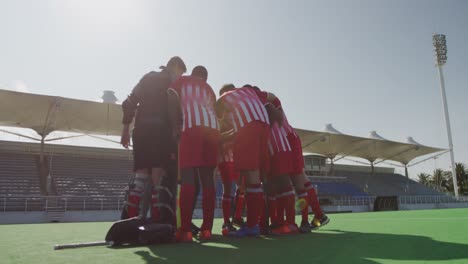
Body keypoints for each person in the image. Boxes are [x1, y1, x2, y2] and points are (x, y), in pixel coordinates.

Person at [121, 56, 186, 224]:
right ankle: (157, 222)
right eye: (181, 73)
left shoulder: (147, 77)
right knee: (158, 177)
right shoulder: (174, 82)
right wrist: (178, 127)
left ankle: (128, 221)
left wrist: (125, 128)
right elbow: (177, 109)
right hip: (161, 132)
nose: (181, 77)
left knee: (140, 176)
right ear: (177, 68)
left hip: (141, 130)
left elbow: (129, 102)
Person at [168, 65, 219, 242]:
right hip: (213, 131)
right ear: (205, 77)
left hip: (192, 128)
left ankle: (185, 230)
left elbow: (170, 96)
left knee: (188, 177)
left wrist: (175, 123)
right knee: (207, 180)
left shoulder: (182, 80)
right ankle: (207, 230)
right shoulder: (209, 89)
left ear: (193, 73)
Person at [216, 85, 273, 237]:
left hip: (249, 128)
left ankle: (252, 226)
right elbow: (272, 96)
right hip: (264, 124)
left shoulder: (223, 99)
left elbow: (218, 120)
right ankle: (260, 223)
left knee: (250, 178)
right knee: (258, 178)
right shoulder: (249, 92)